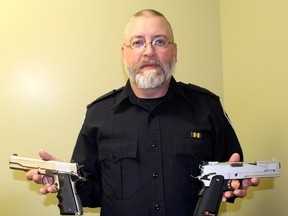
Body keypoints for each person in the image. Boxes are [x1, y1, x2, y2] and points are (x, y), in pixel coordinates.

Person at [26, 9, 259, 216]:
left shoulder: (208, 107)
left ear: (174, 51)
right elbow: (91, 195)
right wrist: (64, 178)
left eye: (159, 41)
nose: (149, 51)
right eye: (138, 43)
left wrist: (236, 184)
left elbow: (232, 179)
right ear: (123, 53)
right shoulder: (99, 114)